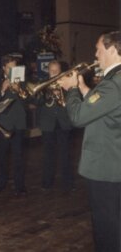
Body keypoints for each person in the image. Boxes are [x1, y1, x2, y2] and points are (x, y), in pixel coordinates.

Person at [58, 31, 121, 252]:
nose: (95, 54)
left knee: (107, 228)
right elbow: (102, 107)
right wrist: (84, 88)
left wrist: (72, 89)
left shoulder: (113, 83)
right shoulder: (114, 81)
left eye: (98, 49)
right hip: (114, 163)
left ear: (112, 50)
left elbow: (78, 117)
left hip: (106, 167)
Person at [0, 55, 28, 196]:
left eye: (15, 67)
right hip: (3, 124)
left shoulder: (23, 82)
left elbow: (28, 100)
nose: (13, 70)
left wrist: (20, 89)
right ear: (4, 68)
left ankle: (20, 185)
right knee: (2, 156)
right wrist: (2, 90)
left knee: (19, 156)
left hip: (19, 122)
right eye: (10, 67)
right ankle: (1, 183)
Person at [37, 60, 74, 192]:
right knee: (48, 154)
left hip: (63, 122)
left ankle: (68, 183)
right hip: (48, 123)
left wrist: (62, 93)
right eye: (51, 71)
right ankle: (47, 182)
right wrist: (46, 94)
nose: (53, 73)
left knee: (65, 154)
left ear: (60, 71)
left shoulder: (66, 83)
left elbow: (73, 99)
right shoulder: (42, 84)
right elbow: (36, 101)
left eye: (56, 71)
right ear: (48, 71)